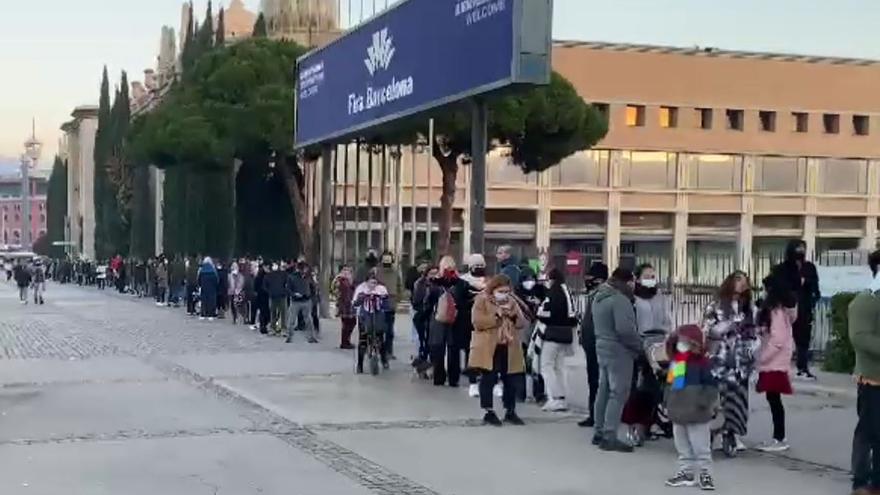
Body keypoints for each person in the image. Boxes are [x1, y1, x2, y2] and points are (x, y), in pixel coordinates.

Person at [703, 270, 757, 456]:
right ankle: (711, 432)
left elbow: (753, 333)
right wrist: (726, 326)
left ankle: (731, 433)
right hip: (720, 360)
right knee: (718, 399)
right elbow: (708, 330)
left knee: (738, 400)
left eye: (745, 281)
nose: (742, 284)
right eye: (738, 280)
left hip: (741, 362)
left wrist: (752, 353)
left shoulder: (748, 307)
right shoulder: (716, 305)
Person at [591, 267, 640, 453]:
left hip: (602, 346)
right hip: (619, 350)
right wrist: (639, 347)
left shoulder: (599, 296)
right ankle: (609, 435)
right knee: (618, 393)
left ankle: (599, 431)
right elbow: (625, 330)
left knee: (603, 390)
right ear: (627, 281)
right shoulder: (620, 300)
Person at [664, 324, 718, 491]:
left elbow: (711, 386)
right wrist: (667, 402)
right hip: (679, 411)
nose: (682, 344)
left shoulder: (703, 363)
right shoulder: (678, 362)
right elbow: (673, 384)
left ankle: (705, 473)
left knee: (701, 446)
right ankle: (686, 472)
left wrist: (703, 402)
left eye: (686, 341)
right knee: (682, 445)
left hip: (697, 412)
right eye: (680, 341)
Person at [624, 263, 673, 445]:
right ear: (637, 278)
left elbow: (667, 319)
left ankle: (657, 419)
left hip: (661, 341)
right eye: (647, 276)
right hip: (642, 342)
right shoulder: (633, 299)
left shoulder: (660, 296)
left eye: (653, 276)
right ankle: (636, 423)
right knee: (642, 386)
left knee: (665, 382)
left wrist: (669, 337)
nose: (651, 280)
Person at [470, 274, 527, 426]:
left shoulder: (512, 302)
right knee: (489, 378)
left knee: (511, 379)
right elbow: (477, 321)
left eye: (507, 291)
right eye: (501, 291)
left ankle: (510, 410)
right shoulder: (482, 299)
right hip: (489, 345)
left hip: (508, 345)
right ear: (493, 289)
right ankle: (488, 411)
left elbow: (522, 322)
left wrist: (513, 317)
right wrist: (496, 317)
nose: (504, 294)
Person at [849, 249, 880, 495]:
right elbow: (860, 338)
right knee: (869, 433)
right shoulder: (865, 301)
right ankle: (861, 482)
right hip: (873, 379)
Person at [754, 273, 796, 453]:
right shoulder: (781, 310)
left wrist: (761, 358)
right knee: (774, 400)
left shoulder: (776, 311)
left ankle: (779, 438)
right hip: (776, 361)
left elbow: (777, 340)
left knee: (774, 400)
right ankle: (779, 437)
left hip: (773, 362)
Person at [771, 239, 820, 380]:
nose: (800, 252)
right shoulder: (781, 268)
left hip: (804, 308)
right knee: (780, 338)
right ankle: (777, 367)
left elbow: (815, 288)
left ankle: (802, 367)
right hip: (785, 308)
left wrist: (811, 300)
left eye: (802, 248)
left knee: (803, 339)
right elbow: (777, 286)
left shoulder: (809, 267)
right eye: (797, 248)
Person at [535, 268, 578, 412]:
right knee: (559, 366)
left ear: (551, 279)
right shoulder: (567, 291)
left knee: (546, 366)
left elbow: (544, 313)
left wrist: (538, 311)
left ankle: (554, 397)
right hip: (566, 333)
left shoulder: (553, 292)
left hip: (553, 332)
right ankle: (562, 398)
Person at [425, 256, 467, 387]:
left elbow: (427, 302)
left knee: (438, 348)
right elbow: (465, 302)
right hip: (455, 319)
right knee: (453, 348)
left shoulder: (435, 283)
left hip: (438, 319)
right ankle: (454, 378)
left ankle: (439, 377)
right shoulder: (461, 283)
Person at [578, 262, 608, 428]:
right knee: (593, 380)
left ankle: (598, 415)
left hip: (600, 344)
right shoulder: (592, 295)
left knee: (599, 381)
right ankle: (593, 413)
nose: (587, 281)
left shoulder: (604, 296)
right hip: (590, 344)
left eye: (590, 278)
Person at [516, 266, 545, 404]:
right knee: (521, 364)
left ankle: (539, 393)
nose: (530, 282)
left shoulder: (541, 291)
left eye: (532, 279)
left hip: (537, 331)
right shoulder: (517, 293)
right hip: (522, 332)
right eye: (526, 279)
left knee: (537, 363)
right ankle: (520, 393)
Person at [460, 254, 488, 398]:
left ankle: (488, 380)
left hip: (485, 323)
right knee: (471, 351)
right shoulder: (463, 281)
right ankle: (473, 382)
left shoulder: (489, 281)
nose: (479, 269)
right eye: (476, 266)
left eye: (481, 266)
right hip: (468, 322)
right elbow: (459, 300)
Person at [353, 272, 390, 373]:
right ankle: (359, 365)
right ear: (366, 282)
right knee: (362, 340)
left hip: (377, 315)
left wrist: (383, 299)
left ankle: (384, 360)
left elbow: (387, 305)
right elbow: (355, 303)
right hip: (364, 316)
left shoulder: (381, 289)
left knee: (380, 338)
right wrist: (362, 297)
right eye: (371, 282)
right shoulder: (360, 288)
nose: (373, 285)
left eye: (375, 283)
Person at [412, 265, 438, 373]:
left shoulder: (440, 285)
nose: (434, 276)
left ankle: (431, 364)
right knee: (423, 341)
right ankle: (422, 363)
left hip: (435, 317)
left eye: (436, 273)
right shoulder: (420, 284)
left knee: (432, 342)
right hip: (422, 316)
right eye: (431, 273)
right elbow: (416, 301)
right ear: (427, 274)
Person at [375, 251, 401, 359]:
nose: (387, 260)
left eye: (388, 258)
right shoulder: (376, 272)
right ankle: (379, 350)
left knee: (390, 331)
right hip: (379, 303)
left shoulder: (395, 272)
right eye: (385, 258)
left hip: (391, 304)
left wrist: (398, 299)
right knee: (380, 330)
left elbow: (399, 286)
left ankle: (389, 351)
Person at [287, 261, 317, 344]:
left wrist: (312, 296)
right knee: (291, 319)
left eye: (306, 269)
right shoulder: (292, 277)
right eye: (304, 268)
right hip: (296, 301)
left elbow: (313, 287)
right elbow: (288, 289)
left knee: (308, 319)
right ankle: (289, 336)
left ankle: (311, 337)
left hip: (306, 300)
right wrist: (294, 294)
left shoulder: (309, 277)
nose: (305, 270)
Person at [333, 265, 357, 349]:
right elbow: (337, 291)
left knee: (351, 322)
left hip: (351, 304)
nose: (347, 272)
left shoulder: (350, 279)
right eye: (345, 270)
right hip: (344, 305)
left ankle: (346, 341)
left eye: (348, 270)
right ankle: (344, 342)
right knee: (347, 323)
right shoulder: (340, 280)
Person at [264, 262, 289, 334]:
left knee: (282, 313)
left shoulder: (283, 274)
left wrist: (285, 291)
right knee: (274, 313)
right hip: (274, 296)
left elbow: (287, 283)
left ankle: (282, 328)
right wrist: (270, 292)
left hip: (281, 296)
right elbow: (265, 286)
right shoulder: (268, 275)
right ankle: (274, 328)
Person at [252, 262, 271, 334]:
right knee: (264, 312)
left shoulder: (266, 276)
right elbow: (256, 287)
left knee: (265, 312)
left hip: (264, 296)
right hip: (262, 296)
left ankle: (263, 325)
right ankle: (263, 326)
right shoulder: (260, 277)